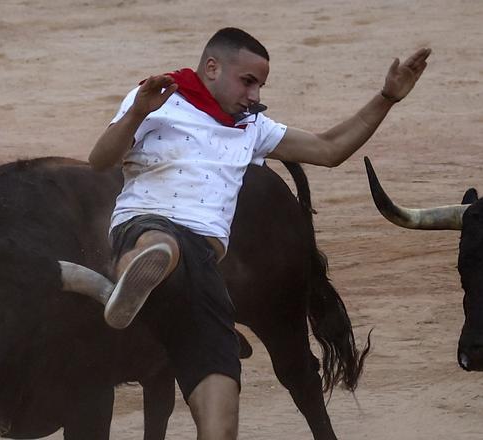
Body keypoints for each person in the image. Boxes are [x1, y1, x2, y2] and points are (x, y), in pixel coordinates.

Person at [88, 27, 430, 440]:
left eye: (261, 85)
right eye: (247, 81)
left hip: (205, 273)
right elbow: (101, 161)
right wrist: (137, 113)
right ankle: (134, 278)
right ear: (212, 67)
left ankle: (142, 281)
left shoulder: (251, 127)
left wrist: (387, 98)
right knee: (160, 245)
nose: (254, 94)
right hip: (147, 225)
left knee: (221, 418)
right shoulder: (157, 98)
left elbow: (329, 148)